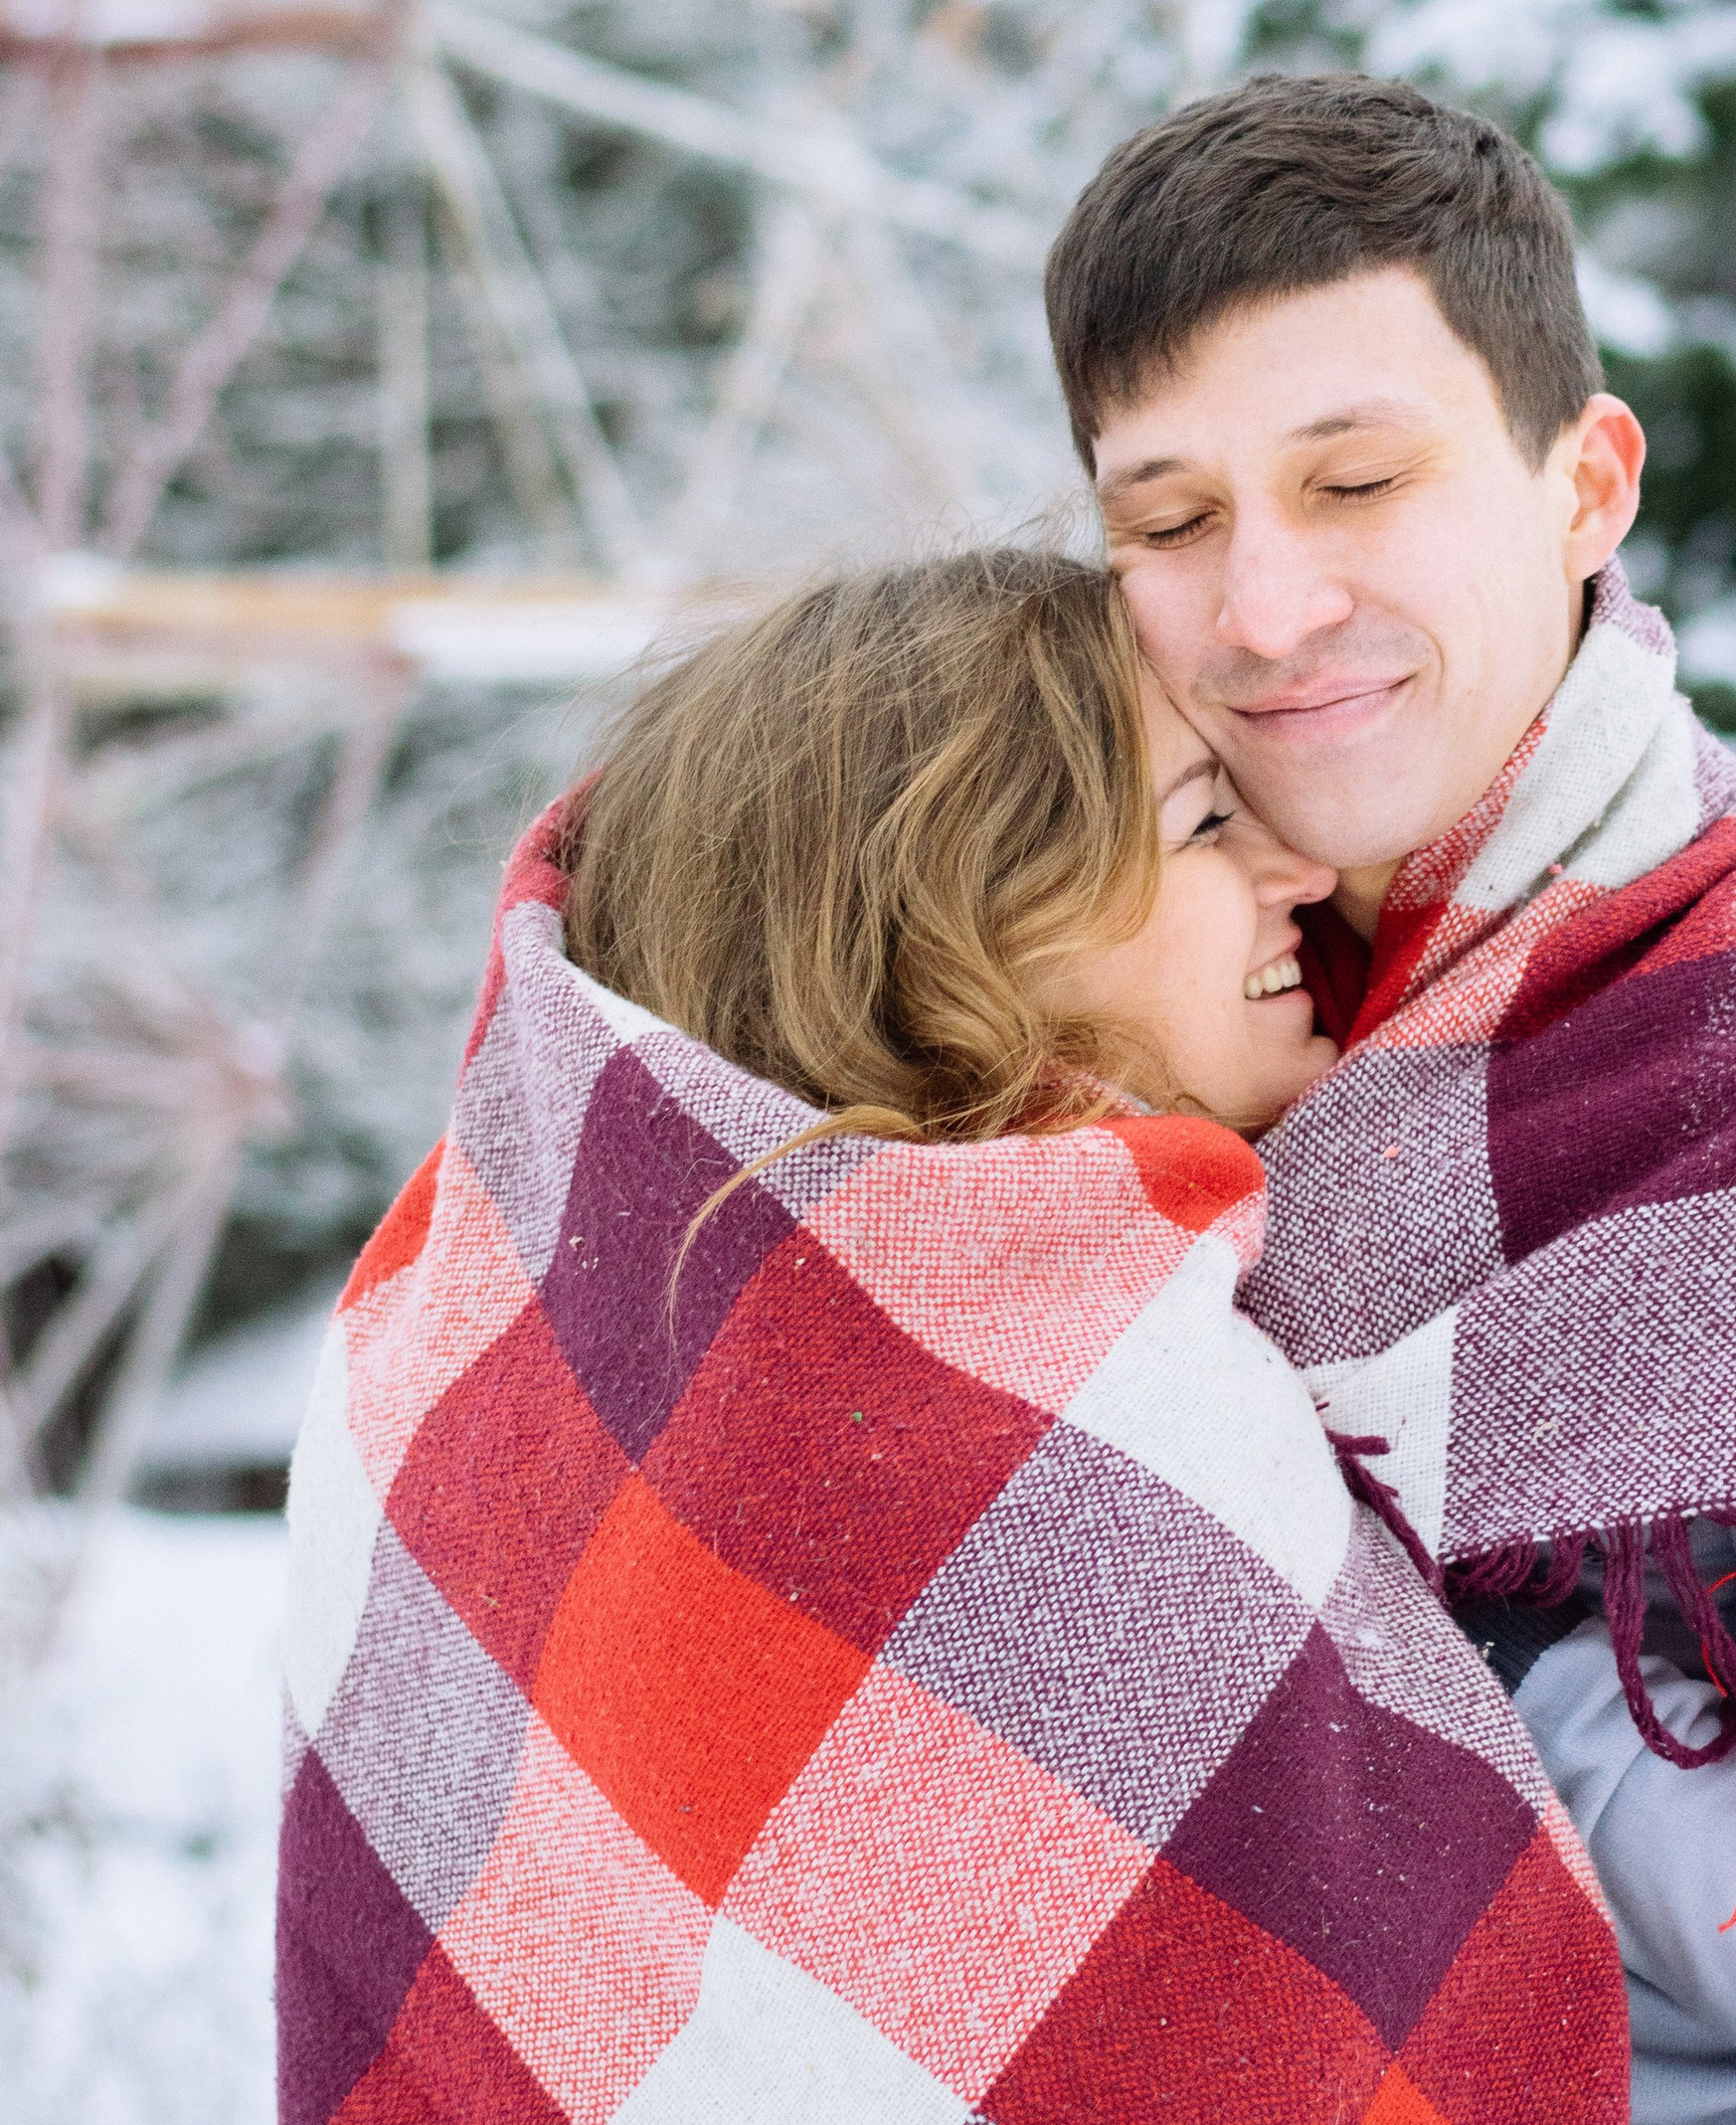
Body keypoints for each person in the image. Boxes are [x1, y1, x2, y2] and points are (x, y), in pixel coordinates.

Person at [1045, 75, 1736, 2125]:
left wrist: (1413, 1607)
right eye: (1171, 521)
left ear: (1585, 488)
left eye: (1354, 481)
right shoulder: (1102, 1014)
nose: (1262, 609)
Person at [273, 552, 1628, 2125]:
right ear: (958, 921)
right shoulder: (1053, 1425)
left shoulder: (493, 1355)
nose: (1302, 871)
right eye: (1205, 820)